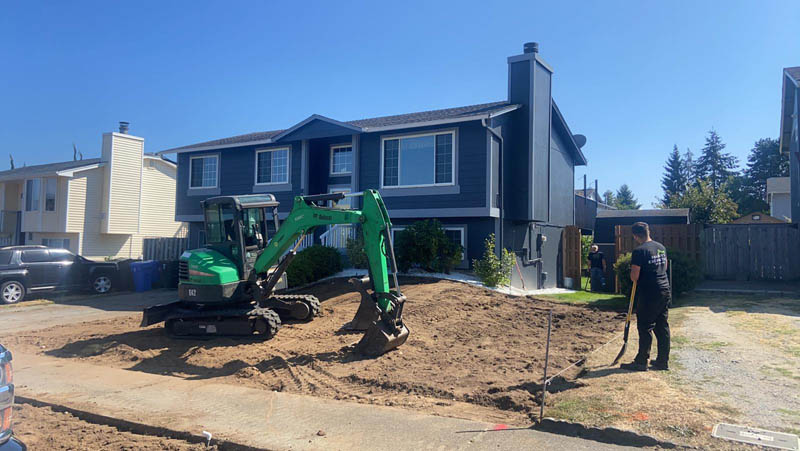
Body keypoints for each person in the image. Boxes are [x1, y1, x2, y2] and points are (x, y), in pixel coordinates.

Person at [620, 222, 671, 371]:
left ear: (636, 236)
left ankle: (641, 361)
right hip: (664, 289)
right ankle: (663, 361)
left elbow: (634, 276)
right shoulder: (661, 247)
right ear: (648, 231)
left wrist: (632, 274)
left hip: (650, 292)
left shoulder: (639, 251)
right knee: (662, 326)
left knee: (645, 326)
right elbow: (665, 267)